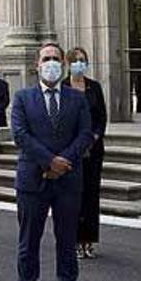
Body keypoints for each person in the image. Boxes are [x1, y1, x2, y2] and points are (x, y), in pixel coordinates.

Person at [11, 43, 93, 281]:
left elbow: (84, 134)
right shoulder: (23, 98)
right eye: (46, 58)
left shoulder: (77, 98)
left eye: (56, 59)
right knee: (29, 239)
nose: (51, 63)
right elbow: (21, 135)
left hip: (68, 179)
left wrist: (62, 163)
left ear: (64, 64)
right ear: (37, 64)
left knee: (67, 239)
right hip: (33, 180)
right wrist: (48, 161)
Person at [63, 48, 107, 259]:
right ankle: (73, 241)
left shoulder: (94, 87)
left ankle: (88, 241)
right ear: (69, 63)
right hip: (70, 151)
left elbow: (101, 118)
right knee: (73, 197)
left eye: (83, 61)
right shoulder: (63, 87)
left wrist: (93, 138)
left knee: (91, 196)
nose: (80, 64)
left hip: (93, 149)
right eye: (76, 61)